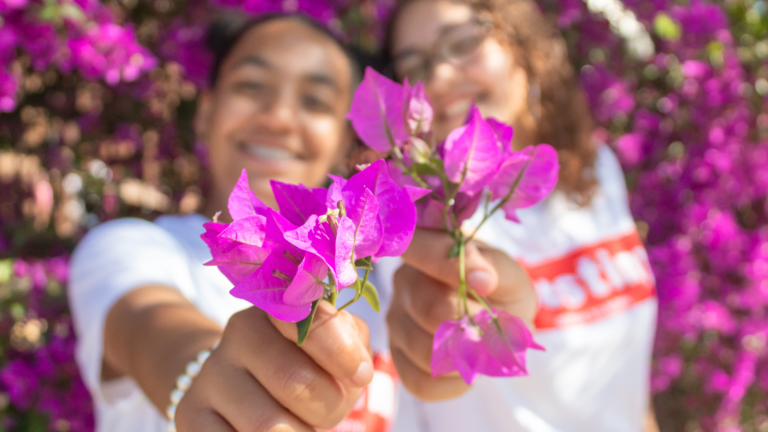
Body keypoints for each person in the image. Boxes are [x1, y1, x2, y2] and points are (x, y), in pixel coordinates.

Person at [68, 10, 537, 432]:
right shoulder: (130, 250)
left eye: (314, 101)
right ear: (206, 112)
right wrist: (202, 379)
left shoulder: (389, 280)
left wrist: (461, 329)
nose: (279, 117)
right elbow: (151, 328)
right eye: (252, 87)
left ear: (350, 145)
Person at [380, 1, 659, 431]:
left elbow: (626, 386)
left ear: (524, 47)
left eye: (462, 42)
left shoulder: (595, 166)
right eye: (413, 64)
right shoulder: (420, 225)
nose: (439, 76)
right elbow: (415, 352)